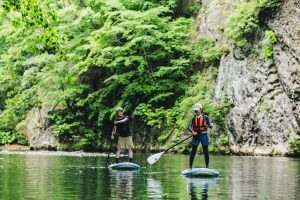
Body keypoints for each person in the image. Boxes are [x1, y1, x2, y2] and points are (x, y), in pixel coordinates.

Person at [188, 103, 212, 169]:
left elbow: (209, 125)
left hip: (203, 135)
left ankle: (207, 167)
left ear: (201, 109)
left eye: (197, 110)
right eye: (195, 110)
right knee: (193, 151)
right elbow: (189, 127)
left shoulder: (205, 117)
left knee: (205, 151)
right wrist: (193, 131)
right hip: (196, 136)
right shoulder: (193, 118)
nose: (196, 111)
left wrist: (210, 126)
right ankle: (190, 167)